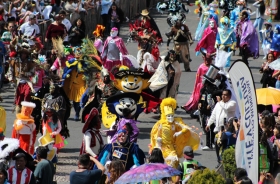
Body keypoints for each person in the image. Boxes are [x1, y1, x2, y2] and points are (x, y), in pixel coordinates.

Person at [150, 97, 200, 168]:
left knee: (174, 160)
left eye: (172, 116)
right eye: (168, 116)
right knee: (161, 163)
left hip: (171, 147)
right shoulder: (160, 124)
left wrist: (180, 133)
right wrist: (158, 139)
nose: (170, 118)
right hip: (162, 147)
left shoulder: (176, 123)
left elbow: (186, 129)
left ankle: (173, 177)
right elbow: (156, 134)